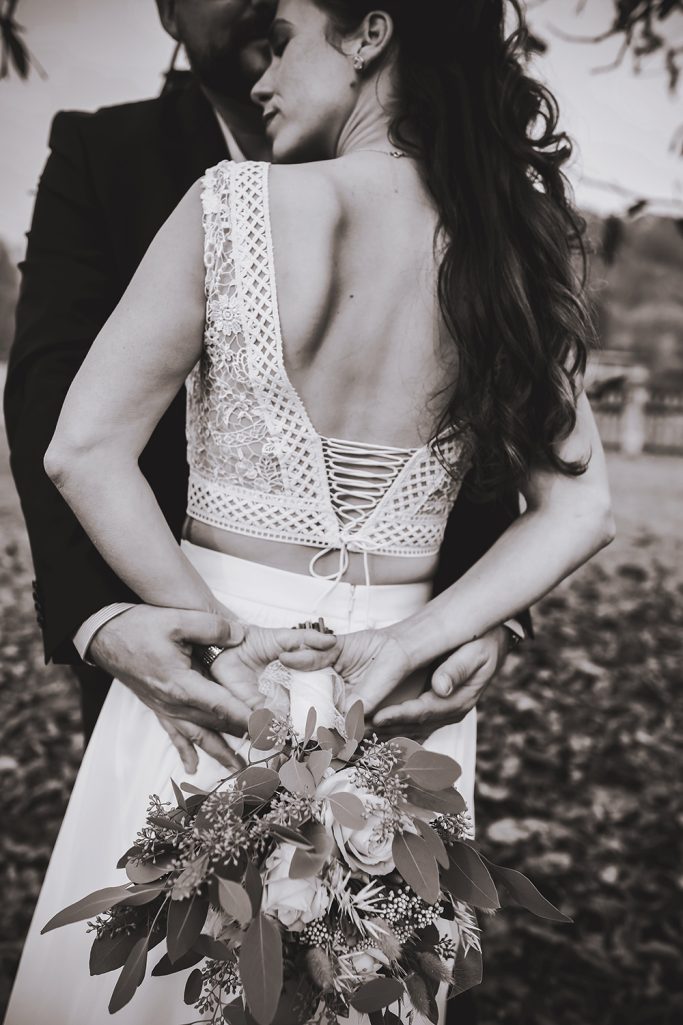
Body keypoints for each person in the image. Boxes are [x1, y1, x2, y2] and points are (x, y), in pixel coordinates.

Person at [4, 0, 615, 1021]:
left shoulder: (236, 204)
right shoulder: (513, 238)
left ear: (368, 34)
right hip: (396, 698)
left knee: (155, 980)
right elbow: (578, 506)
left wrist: (221, 634)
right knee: (361, 973)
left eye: (283, 39)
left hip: (219, 675)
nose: (260, 75)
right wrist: (415, 637)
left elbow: (81, 445)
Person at [4, 0, 528, 780]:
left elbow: (496, 418)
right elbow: (47, 388)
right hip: (178, 638)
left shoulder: (484, 222)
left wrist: (480, 610)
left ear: (370, 35)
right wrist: (108, 618)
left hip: (403, 665)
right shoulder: (107, 152)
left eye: (286, 36)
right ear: (169, 13)